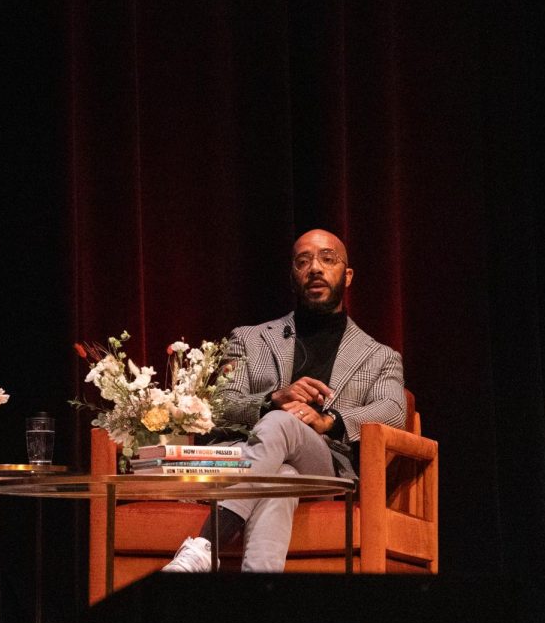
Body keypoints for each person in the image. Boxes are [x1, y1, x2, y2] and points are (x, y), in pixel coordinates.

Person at [163, 228, 405, 573]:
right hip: (260, 460)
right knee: (282, 474)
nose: (315, 268)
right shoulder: (249, 338)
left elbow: (394, 411)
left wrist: (329, 420)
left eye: (327, 259)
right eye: (303, 261)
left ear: (347, 276)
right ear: (293, 277)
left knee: (281, 423)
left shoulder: (380, 356)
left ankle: (206, 546)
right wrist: (270, 400)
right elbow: (216, 406)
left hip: (325, 469)